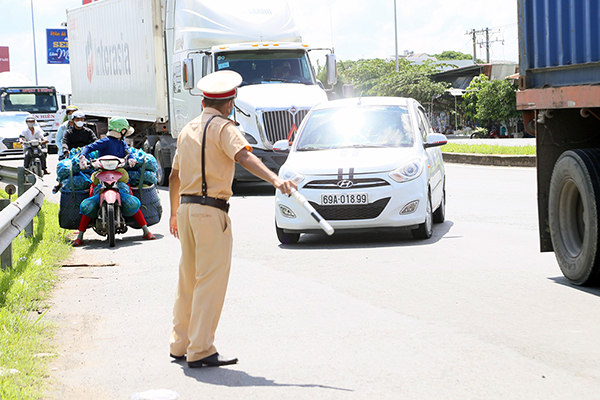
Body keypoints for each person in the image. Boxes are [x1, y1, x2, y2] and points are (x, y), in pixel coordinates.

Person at [168, 70, 296, 368]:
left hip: (186, 210)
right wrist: (276, 180)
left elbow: (174, 176)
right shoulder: (224, 127)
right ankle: (200, 349)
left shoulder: (187, 130)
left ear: (203, 101)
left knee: (187, 279)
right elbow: (244, 157)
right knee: (210, 281)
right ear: (230, 103)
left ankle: (180, 344)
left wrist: (174, 213)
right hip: (211, 211)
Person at [71, 117, 156, 247]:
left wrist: (131, 159)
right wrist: (83, 157)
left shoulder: (122, 143)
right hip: (101, 174)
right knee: (91, 200)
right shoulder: (104, 141)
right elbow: (88, 148)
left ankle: (146, 230)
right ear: (120, 130)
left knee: (129, 198)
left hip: (119, 175)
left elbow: (129, 152)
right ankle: (80, 236)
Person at [52, 105, 79, 193]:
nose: (71, 115)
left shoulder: (82, 128)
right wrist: (64, 150)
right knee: (62, 169)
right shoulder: (63, 127)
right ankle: (59, 184)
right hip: (65, 153)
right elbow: (58, 140)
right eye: (69, 113)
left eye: (73, 113)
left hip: (78, 154)